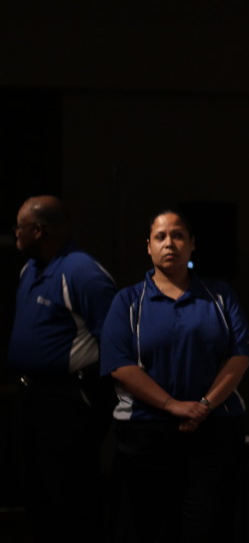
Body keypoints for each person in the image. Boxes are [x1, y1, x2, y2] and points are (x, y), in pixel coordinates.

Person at [100, 210, 249, 542]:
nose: (169, 243)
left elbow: (239, 356)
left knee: (207, 526)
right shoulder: (128, 301)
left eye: (178, 235)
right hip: (145, 433)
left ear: (192, 244)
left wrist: (203, 406)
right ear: (148, 246)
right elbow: (119, 365)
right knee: (150, 527)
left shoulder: (220, 295)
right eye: (160, 236)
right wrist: (173, 406)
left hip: (214, 430)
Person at [8, 195, 117, 543]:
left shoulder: (82, 273)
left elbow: (117, 344)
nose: (15, 234)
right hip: (32, 396)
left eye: (19, 228)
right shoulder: (30, 269)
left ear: (38, 231)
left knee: (69, 498)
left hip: (70, 401)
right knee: (35, 494)